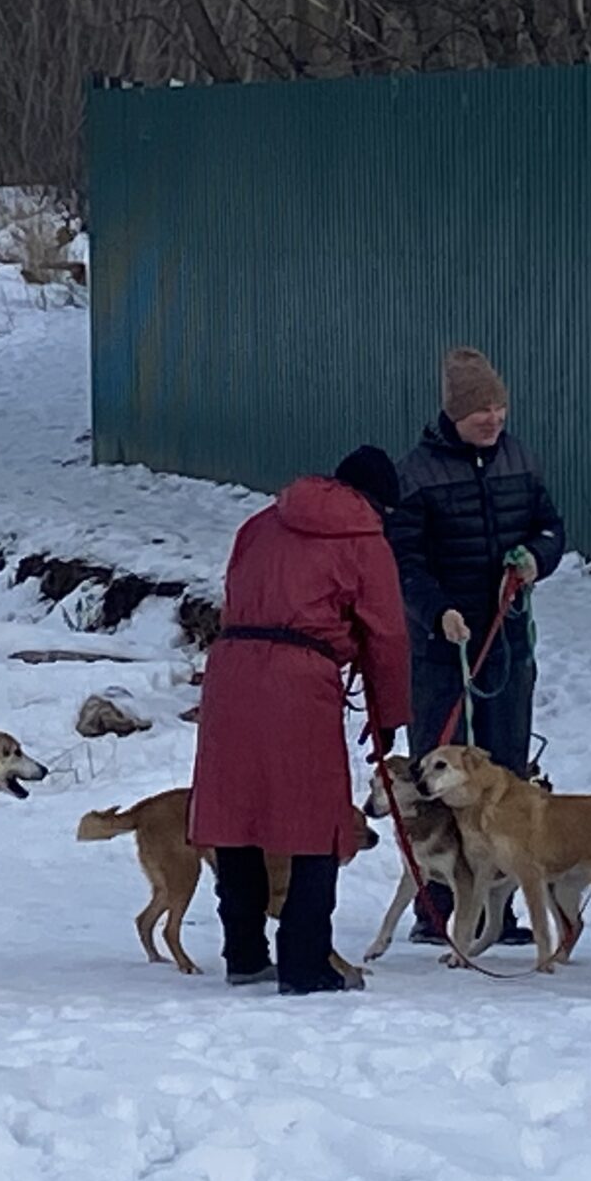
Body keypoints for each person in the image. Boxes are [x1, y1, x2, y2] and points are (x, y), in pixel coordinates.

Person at [189, 447, 411, 994]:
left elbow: (236, 594)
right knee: (317, 818)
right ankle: (304, 963)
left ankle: (243, 954)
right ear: (377, 503)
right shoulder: (364, 539)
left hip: (231, 669)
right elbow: (387, 633)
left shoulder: (261, 523)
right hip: (299, 675)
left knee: (235, 814)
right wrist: (388, 714)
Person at [387, 347, 566, 945]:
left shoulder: (520, 458)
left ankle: (499, 907)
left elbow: (550, 527)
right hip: (445, 647)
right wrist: (438, 612)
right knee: (439, 772)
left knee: (504, 772)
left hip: (507, 641)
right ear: (453, 414)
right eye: (480, 410)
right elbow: (404, 561)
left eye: (500, 406)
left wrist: (535, 559)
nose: (493, 418)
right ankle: (436, 908)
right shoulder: (416, 473)